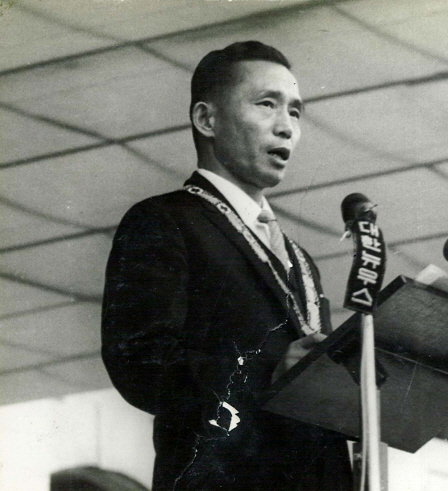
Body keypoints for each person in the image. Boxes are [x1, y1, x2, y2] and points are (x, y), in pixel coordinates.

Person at [101, 41, 353, 491]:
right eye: (267, 104)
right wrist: (268, 370)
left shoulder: (299, 258)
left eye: (295, 111)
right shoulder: (165, 221)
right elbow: (138, 363)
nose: (286, 127)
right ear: (206, 120)